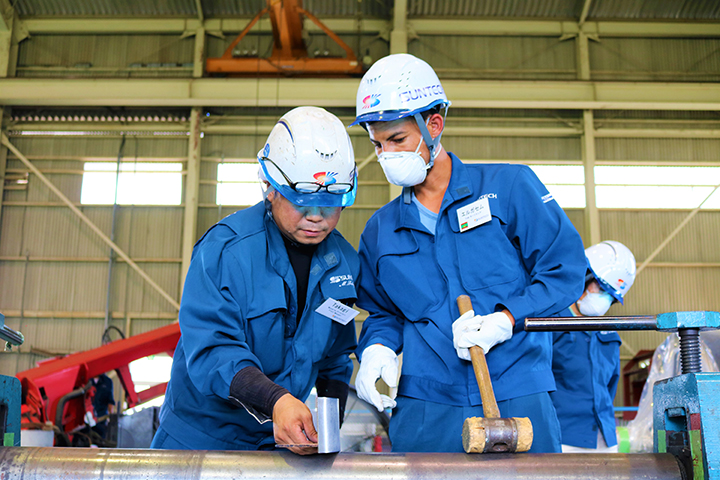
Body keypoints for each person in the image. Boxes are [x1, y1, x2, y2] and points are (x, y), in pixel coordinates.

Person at [351, 53, 588, 453]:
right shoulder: (380, 229)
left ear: (433, 125)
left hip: (516, 390)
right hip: (425, 406)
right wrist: (375, 349)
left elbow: (564, 269)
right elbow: (383, 313)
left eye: (396, 140)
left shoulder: (509, 187)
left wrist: (506, 319)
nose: (386, 156)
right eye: (377, 144)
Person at [151, 106, 360, 454]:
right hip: (199, 443)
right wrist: (277, 402)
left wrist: (326, 429)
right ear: (270, 187)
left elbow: (334, 359)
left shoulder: (344, 265)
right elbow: (214, 350)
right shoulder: (225, 251)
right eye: (302, 201)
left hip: (279, 449)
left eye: (330, 203)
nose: (316, 217)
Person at [551, 240, 637, 453]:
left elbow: (610, 386)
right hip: (563, 437)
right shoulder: (548, 325)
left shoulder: (609, 334)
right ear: (584, 278)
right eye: (602, 289)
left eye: (611, 296)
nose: (604, 300)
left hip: (604, 438)